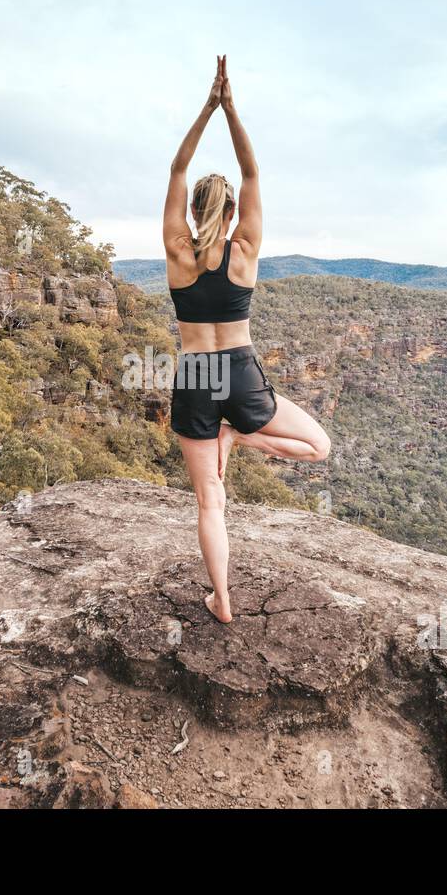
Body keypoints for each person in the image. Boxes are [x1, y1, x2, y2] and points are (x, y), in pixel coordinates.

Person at [163, 56, 331, 624]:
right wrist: (230, 108)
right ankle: (240, 433)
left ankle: (222, 598)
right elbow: (253, 172)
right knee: (319, 447)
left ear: (191, 210)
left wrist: (206, 108)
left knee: (211, 501)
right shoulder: (245, 250)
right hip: (238, 370)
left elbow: (177, 165)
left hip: (194, 374)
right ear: (233, 210)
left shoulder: (176, 250)